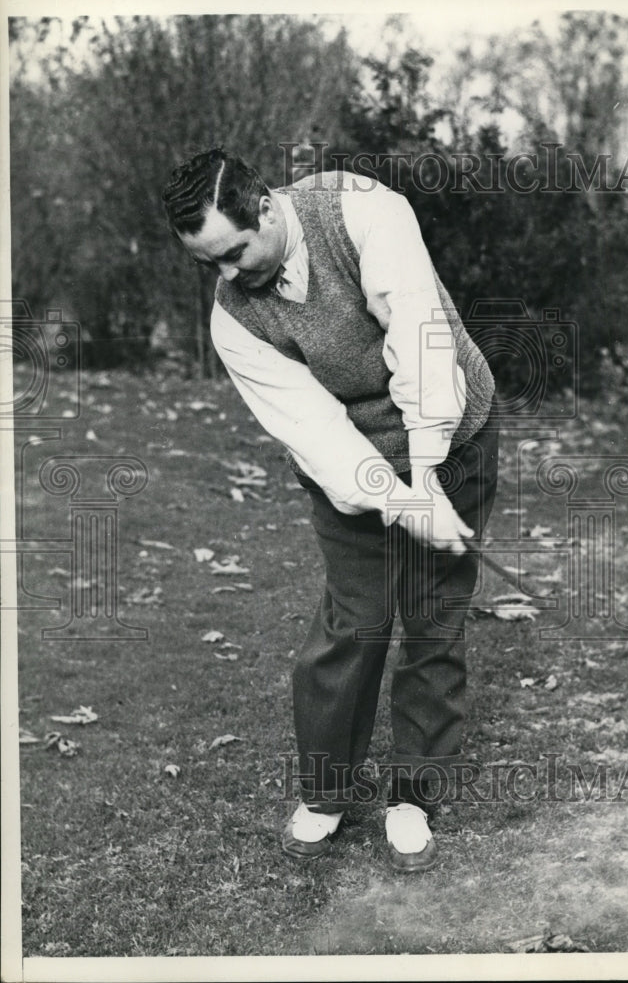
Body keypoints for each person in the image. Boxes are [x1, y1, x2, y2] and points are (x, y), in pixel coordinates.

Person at [162, 148, 498, 872]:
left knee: (433, 614)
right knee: (355, 617)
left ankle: (414, 796)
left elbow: (419, 335)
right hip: (348, 459)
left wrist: (429, 474)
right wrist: (397, 496)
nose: (225, 276)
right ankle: (327, 790)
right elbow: (314, 429)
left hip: (453, 425)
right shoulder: (234, 321)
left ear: (268, 209)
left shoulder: (363, 210)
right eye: (208, 264)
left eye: (233, 253)